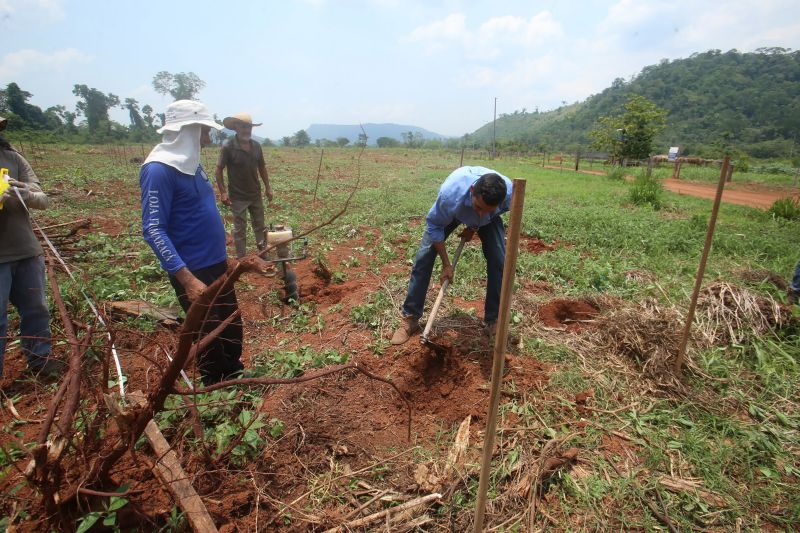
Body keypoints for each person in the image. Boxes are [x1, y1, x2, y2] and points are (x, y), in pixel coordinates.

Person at [139, 100, 244, 385]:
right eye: (204, 130)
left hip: (217, 263)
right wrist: (186, 279)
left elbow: (200, 204)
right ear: (188, 130)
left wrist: (220, 233)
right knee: (207, 332)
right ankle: (215, 384)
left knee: (230, 324)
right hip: (193, 269)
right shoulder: (158, 171)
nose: (209, 137)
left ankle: (235, 375)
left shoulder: (192, 165)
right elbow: (153, 229)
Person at [391, 166, 513, 345]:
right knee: (424, 257)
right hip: (454, 210)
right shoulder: (450, 196)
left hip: (486, 217)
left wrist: (475, 225)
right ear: (472, 191)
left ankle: (493, 321)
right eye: (478, 207)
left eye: (487, 209)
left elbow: (486, 212)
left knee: (499, 260)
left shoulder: (508, 195)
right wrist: (447, 264)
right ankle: (410, 317)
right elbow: (434, 226)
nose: (480, 212)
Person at [0, 115, 61, 378]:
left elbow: (42, 199)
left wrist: (24, 192)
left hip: (26, 250)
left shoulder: (13, 159)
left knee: (36, 309)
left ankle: (40, 360)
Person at [215, 113, 273, 259]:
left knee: (260, 226)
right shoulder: (228, 146)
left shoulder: (256, 146)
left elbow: (262, 168)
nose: (246, 130)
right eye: (243, 126)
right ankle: (241, 259)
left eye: (248, 127)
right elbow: (218, 169)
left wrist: (268, 187)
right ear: (236, 127)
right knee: (240, 228)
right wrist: (222, 192)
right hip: (238, 196)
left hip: (255, 194)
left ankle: (263, 254)